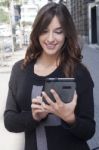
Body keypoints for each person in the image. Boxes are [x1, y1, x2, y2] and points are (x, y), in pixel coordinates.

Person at [4, 2, 95, 150]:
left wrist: (69, 118)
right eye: (44, 31)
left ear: (66, 33)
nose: (51, 39)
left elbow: (89, 130)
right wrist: (34, 116)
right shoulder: (20, 70)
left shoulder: (79, 72)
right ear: (37, 32)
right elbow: (9, 121)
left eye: (58, 31)